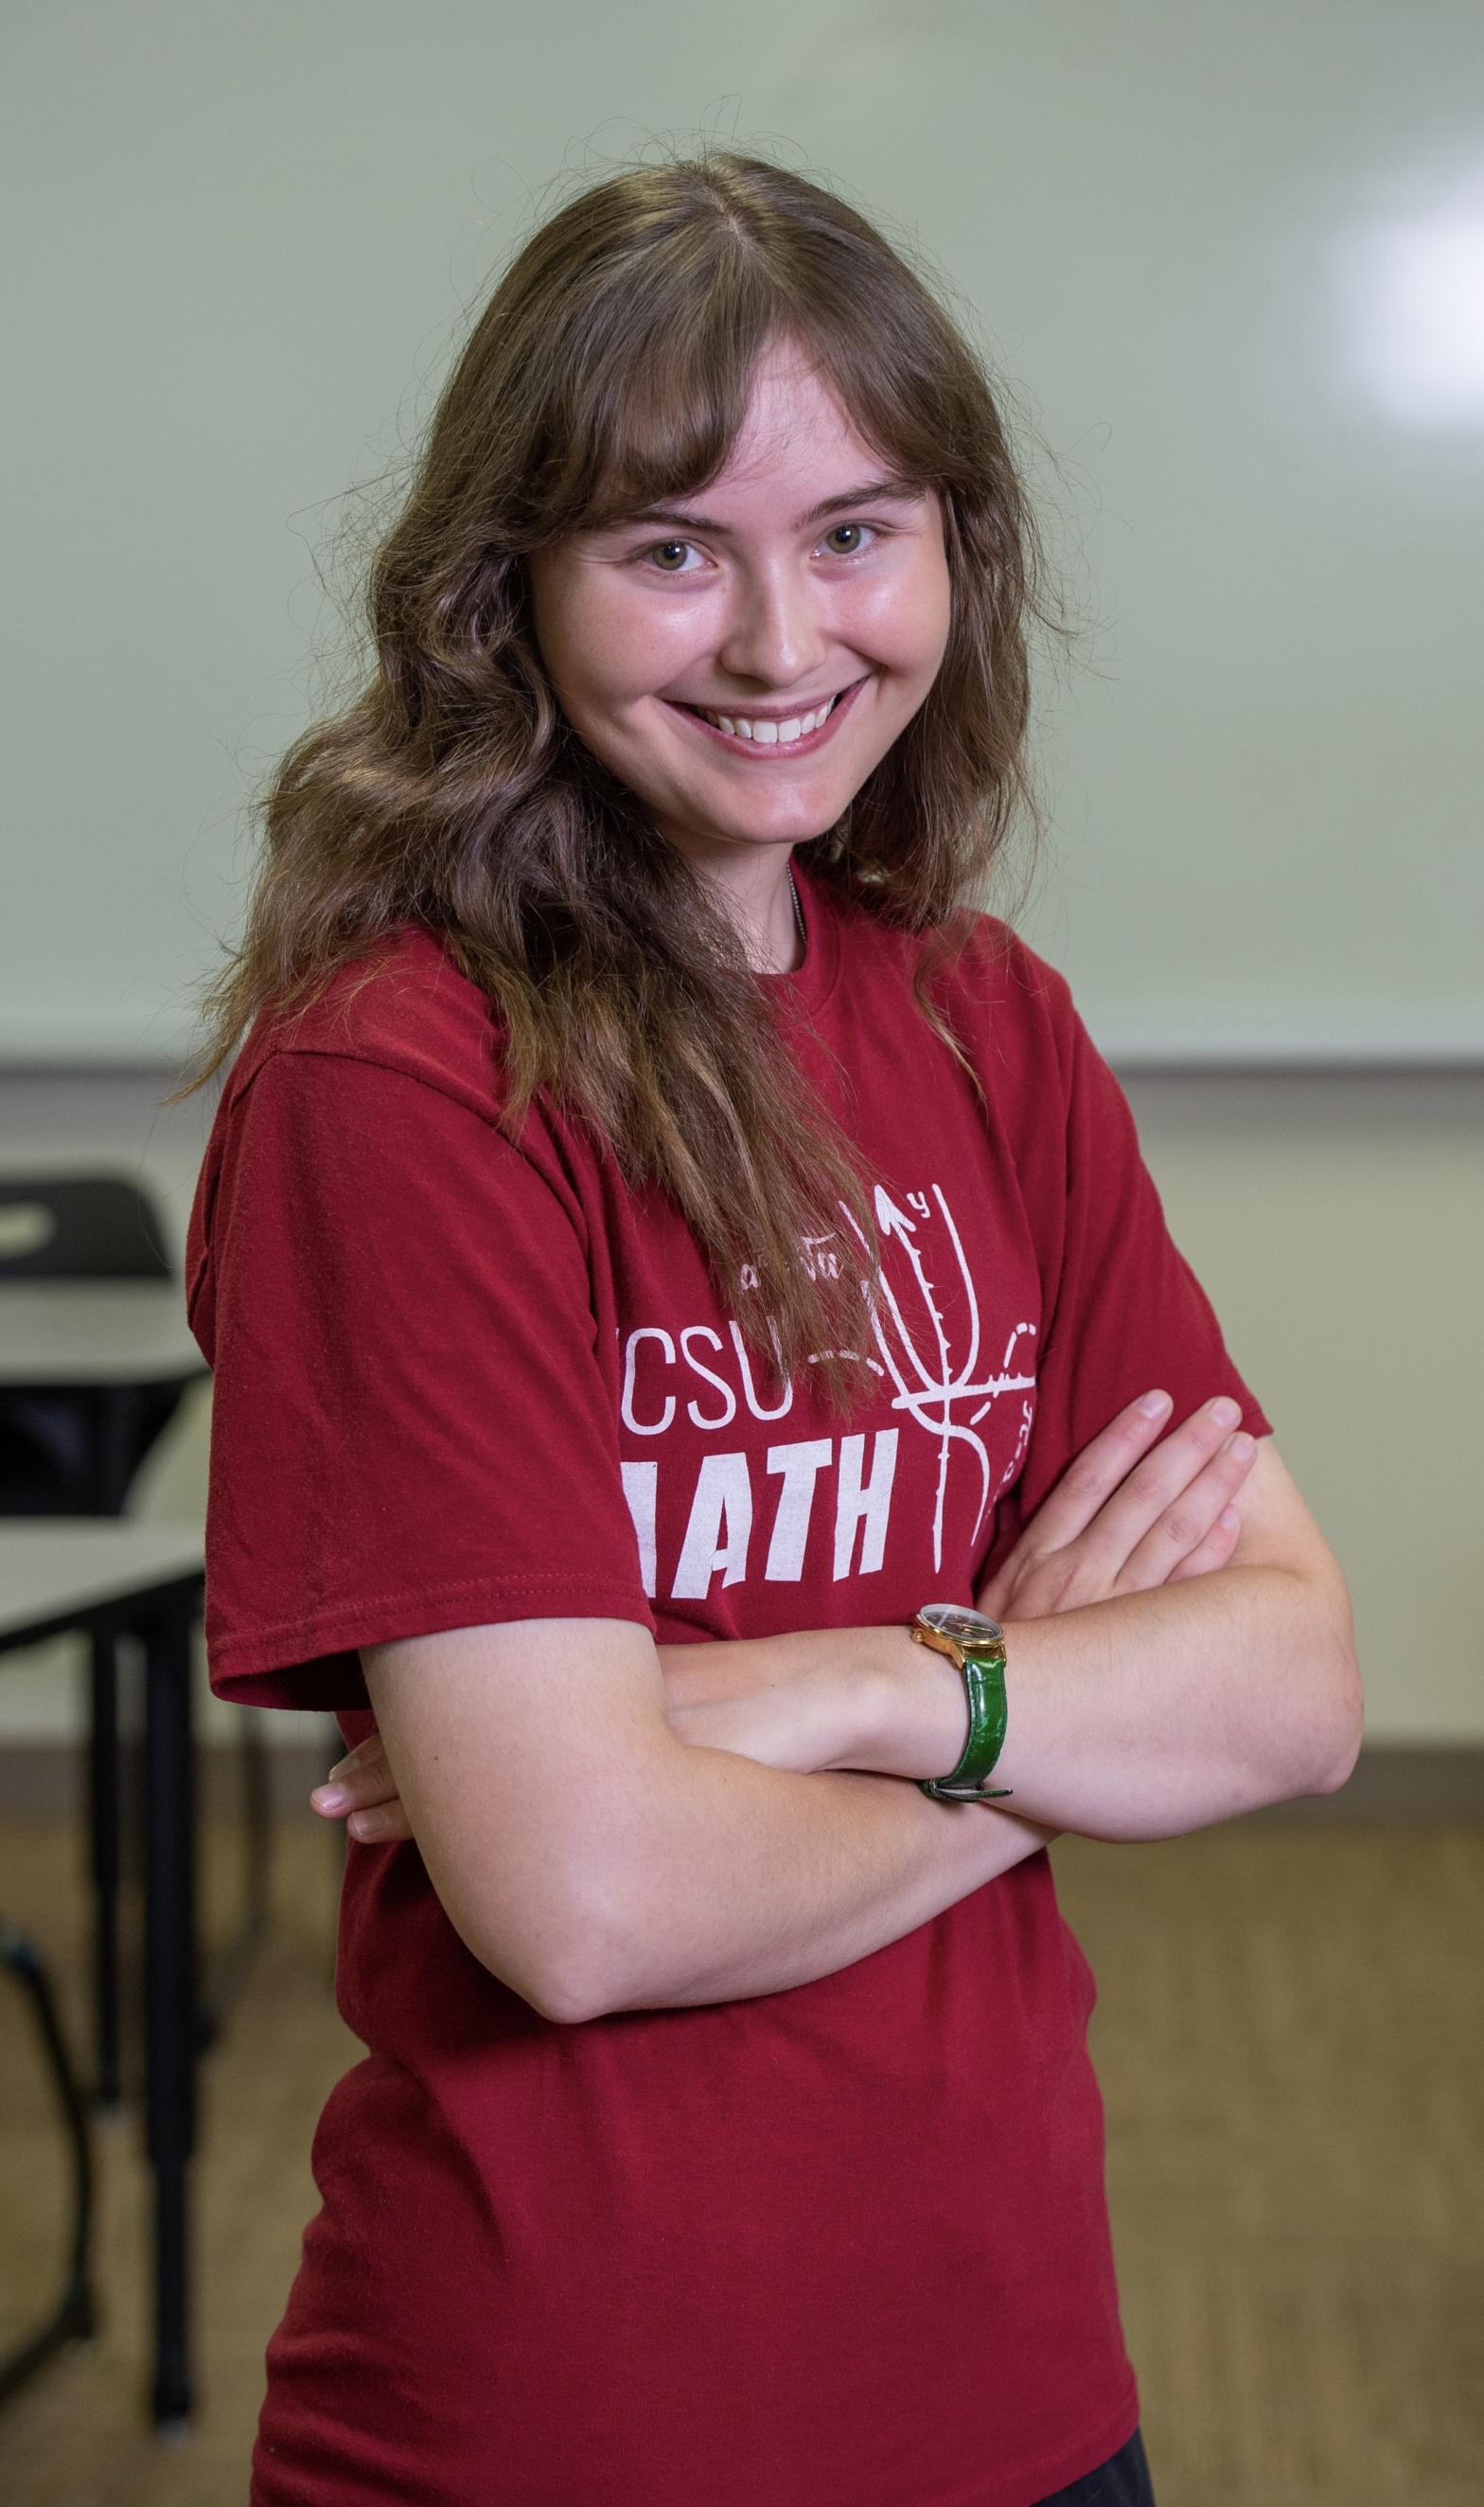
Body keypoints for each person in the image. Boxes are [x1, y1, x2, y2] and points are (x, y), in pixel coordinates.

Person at [188, 154, 1361, 2507]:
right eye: (665, 548)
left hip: (1026, 2377)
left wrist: (848, 1682)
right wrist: (1033, 1694)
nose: (772, 638)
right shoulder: (400, 1082)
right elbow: (587, 1903)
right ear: (502, 590)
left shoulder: (978, 1017)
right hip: (575, 2420)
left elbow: (1296, 1687)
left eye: (852, 532)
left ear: (954, 549)